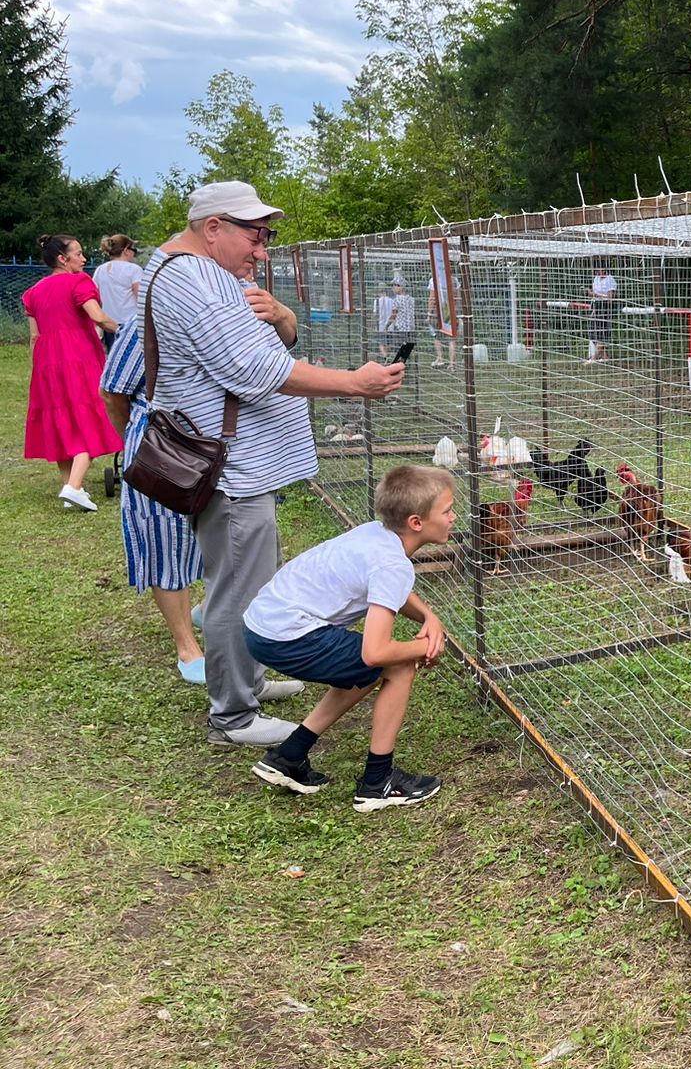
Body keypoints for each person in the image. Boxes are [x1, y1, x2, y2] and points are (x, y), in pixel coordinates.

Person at [148, 181, 405, 747]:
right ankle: (233, 714)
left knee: (246, 580)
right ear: (213, 228)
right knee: (236, 590)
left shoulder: (202, 275)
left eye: (266, 237)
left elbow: (270, 341)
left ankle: (248, 680)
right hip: (230, 464)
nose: (262, 250)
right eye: (255, 236)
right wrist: (354, 384)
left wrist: (284, 316)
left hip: (239, 462)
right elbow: (255, 368)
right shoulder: (192, 281)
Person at [243, 464, 454, 811]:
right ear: (416, 522)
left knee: (359, 668)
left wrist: (429, 617)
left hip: (261, 625)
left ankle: (288, 756)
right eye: (446, 511)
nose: (453, 517)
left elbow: (389, 591)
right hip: (286, 635)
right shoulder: (392, 564)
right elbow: (376, 651)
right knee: (396, 666)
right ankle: (378, 783)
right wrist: (426, 646)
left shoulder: (376, 533)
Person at [101, 317, 208, 685]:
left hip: (215, 446)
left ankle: (208, 610)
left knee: (218, 534)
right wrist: (140, 444)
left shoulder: (231, 308)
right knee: (164, 541)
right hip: (162, 447)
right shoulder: (143, 323)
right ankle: (186, 647)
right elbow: (113, 393)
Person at [21, 234, 124, 511]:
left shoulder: (33, 292)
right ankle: (74, 487)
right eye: (78, 254)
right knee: (92, 414)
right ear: (62, 259)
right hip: (78, 357)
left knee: (60, 417)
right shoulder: (79, 282)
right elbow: (98, 316)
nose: (84, 259)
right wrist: (128, 332)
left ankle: (70, 486)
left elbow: (34, 336)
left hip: (46, 362)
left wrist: (39, 368)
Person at [93, 234, 142, 352]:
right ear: (126, 250)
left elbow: (94, 294)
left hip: (108, 323)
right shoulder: (134, 269)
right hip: (130, 323)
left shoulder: (100, 270)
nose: (134, 254)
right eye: (133, 250)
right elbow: (141, 297)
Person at [378, 274, 415, 360]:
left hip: (400, 329)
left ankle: (398, 364)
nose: (393, 288)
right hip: (411, 328)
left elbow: (394, 314)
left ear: (401, 287)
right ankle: (407, 363)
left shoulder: (397, 299)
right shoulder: (411, 299)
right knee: (408, 347)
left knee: (399, 348)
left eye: (395, 285)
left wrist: (387, 325)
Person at [586, 266, 617, 363]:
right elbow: (594, 293)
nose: (597, 270)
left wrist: (595, 295)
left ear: (604, 268)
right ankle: (605, 356)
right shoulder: (596, 278)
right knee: (594, 332)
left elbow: (610, 298)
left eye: (599, 268)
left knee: (602, 333)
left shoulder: (610, 280)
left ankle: (593, 358)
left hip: (605, 307)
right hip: (596, 305)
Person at [427, 276, 457, 369]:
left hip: (439, 311)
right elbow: (457, 297)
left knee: (437, 336)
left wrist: (429, 313)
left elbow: (432, 298)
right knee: (451, 339)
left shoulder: (434, 279)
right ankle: (452, 363)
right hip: (451, 310)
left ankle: (440, 358)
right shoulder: (454, 279)